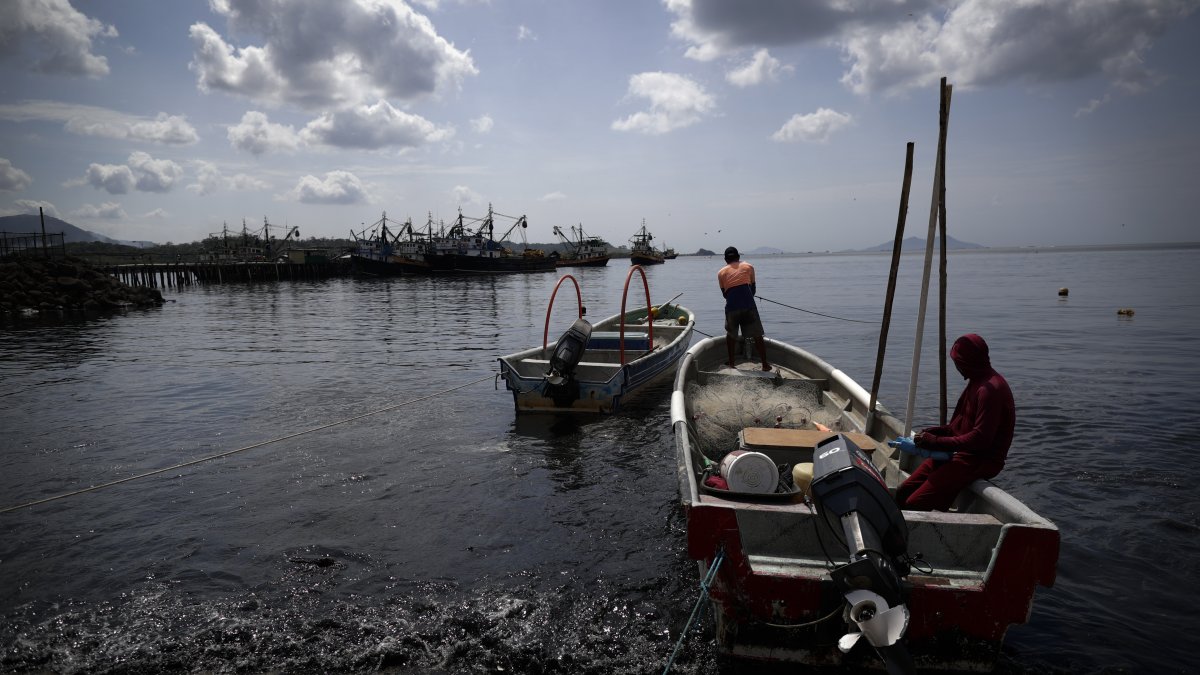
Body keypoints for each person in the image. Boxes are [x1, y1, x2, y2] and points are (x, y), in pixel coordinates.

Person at [893, 333, 1014, 511]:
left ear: (966, 362)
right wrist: (933, 433)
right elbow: (957, 427)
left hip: (978, 461)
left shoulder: (990, 390)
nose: (956, 367)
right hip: (957, 454)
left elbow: (980, 440)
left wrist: (935, 442)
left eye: (957, 363)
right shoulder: (975, 381)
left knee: (915, 504)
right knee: (903, 492)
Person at [717, 246, 770, 371]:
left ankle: (731, 364)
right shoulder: (749, 267)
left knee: (731, 335)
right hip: (749, 306)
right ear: (739, 257)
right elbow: (753, 290)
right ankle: (765, 365)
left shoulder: (721, 273)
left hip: (732, 307)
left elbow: (725, 294)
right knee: (757, 335)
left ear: (725, 260)